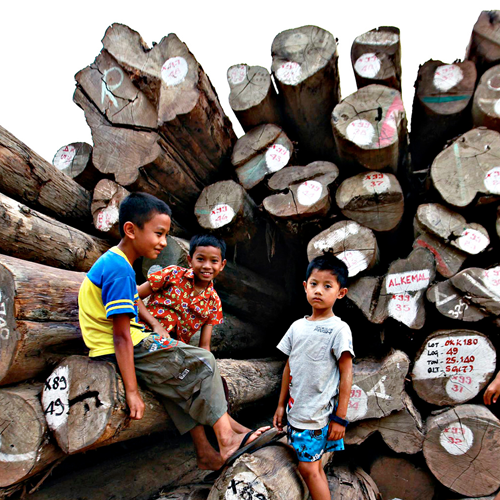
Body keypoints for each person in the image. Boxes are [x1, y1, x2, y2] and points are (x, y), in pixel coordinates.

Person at [78, 192, 270, 472]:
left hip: (133, 341)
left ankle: (208, 451)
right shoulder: (119, 269)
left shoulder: (118, 263)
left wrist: (155, 325)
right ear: (131, 230)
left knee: (183, 382)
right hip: (124, 347)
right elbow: (121, 336)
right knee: (204, 362)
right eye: (158, 234)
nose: (164, 242)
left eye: (166, 235)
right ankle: (228, 439)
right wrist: (131, 391)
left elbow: (130, 300)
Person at [273, 254, 354, 500]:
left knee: (309, 469)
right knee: (313, 465)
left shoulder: (339, 329)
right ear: (305, 286)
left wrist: (340, 418)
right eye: (314, 284)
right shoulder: (297, 327)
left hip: (315, 417)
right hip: (295, 412)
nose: (319, 291)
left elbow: (346, 373)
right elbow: (289, 366)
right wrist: (279, 405)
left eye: (327, 286)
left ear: (341, 293)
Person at [137, 234, 226, 351]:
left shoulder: (214, 302)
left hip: (175, 349)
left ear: (222, 265)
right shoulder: (173, 274)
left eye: (214, 261)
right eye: (200, 259)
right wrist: (155, 325)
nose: (206, 266)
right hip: (146, 333)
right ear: (190, 260)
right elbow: (134, 295)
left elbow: (204, 346)